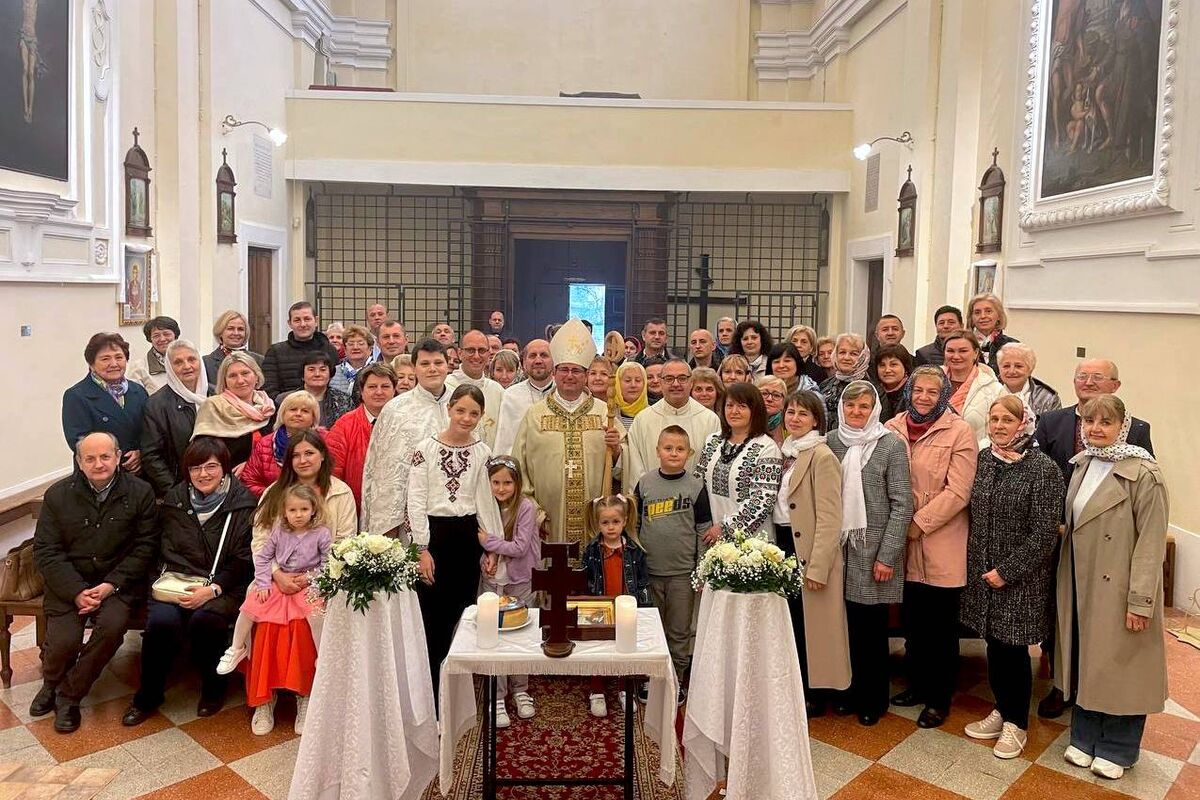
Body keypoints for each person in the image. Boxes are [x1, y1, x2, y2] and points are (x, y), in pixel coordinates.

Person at [1055, 395, 1168, 780]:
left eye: (1105, 422)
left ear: (1123, 425)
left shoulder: (1144, 473)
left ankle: (1118, 747)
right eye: (1089, 422)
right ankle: (1085, 737)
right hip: (1082, 583)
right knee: (1090, 661)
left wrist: (1140, 601)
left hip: (1119, 587)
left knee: (1122, 666)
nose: (1096, 429)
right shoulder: (1084, 464)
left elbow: (1151, 542)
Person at [1033, 358, 1153, 719]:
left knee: (1100, 618)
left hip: (1106, 545)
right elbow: (1040, 474)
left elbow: (1140, 489)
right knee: (1061, 609)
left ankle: (1094, 687)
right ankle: (1061, 685)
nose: (1088, 382)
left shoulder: (1138, 430)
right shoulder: (1052, 421)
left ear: (1115, 385)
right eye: (1081, 376)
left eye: (1097, 377)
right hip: (1061, 535)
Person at [122, 438, 256, 726]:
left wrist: (212, 589)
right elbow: (160, 549)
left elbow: (244, 561)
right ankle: (148, 695)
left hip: (223, 584)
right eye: (196, 468)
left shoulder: (243, 504)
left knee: (205, 622)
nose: (203, 474)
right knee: (161, 623)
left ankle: (213, 689)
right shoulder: (175, 500)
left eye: (211, 466)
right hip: (177, 580)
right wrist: (169, 584)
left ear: (225, 469)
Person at [958, 396, 1063, 759]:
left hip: (1019, 579)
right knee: (994, 647)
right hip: (983, 576)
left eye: (1008, 420)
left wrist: (1006, 572)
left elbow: (1045, 534)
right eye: (994, 419)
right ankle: (1002, 710)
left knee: (1014, 650)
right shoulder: (984, 460)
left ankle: (1017, 724)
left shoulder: (1043, 469)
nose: (1000, 425)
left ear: (1024, 423)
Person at [31, 432, 157, 733]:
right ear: (79, 461)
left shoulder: (140, 493)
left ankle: (69, 696)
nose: (98, 464)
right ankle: (51, 683)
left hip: (118, 585)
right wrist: (76, 592)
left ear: (117, 456)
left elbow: (146, 547)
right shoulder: (58, 495)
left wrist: (111, 584)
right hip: (69, 585)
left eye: (105, 456)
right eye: (90, 458)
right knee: (62, 642)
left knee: (111, 628)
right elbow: (47, 551)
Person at [243, 431, 357, 734]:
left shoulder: (341, 493)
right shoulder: (274, 493)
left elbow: (344, 544)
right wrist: (277, 575)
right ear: (288, 460)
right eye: (296, 455)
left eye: (309, 453)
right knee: (265, 617)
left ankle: (306, 696)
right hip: (275, 575)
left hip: (322, 577)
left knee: (310, 616)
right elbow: (261, 541)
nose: (303, 460)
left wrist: (310, 578)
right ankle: (263, 699)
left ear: (322, 456)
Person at [884, 367, 978, 729]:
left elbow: (959, 491)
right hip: (900, 542)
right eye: (917, 390)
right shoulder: (893, 427)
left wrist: (917, 524)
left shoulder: (959, 431)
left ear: (944, 395)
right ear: (908, 391)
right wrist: (897, 528)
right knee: (913, 623)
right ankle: (917, 685)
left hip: (941, 540)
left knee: (940, 628)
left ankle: (939, 698)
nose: (923, 397)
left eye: (932, 392)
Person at [825, 382, 912, 726]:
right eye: (851, 406)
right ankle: (845, 692)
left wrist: (887, 555)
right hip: (837, 550)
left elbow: (903, 504)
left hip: (872, 551)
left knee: (870, 632)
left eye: (864, 406)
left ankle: (873, 698)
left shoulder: (890, 444)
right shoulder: (831, 442)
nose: (856, 413)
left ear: (875, 409)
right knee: (841, 628)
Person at [408, 385, 504, 695]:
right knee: (433, 619)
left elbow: (485, 500)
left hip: (467, 537)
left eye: (473, 413)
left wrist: (491, 545)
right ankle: (432, 694)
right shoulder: (425, 449)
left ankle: (459, 691)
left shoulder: (482, 452)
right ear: (449, 408)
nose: (466, 418)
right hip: (434, 537)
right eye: (460, 410)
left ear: (481, 416)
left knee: (465, 614)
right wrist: (420, 548)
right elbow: (415, 499)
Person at [229, 483, 331, 735]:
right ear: (284, 511)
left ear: (313, 510)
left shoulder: (321, 533)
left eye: (303, 509)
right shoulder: (278, 531)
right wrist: (268, 580)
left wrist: (311, 579)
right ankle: (239, 656)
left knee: (311, 618)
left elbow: (329, 562)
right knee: (254, 610)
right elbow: (263, 556)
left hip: (308, 584)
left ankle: (308, 689)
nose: (298, 514)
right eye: (293, 510)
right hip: (276, 582)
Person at [513, 321, 623, 547]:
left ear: (585, 375)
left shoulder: (605, 413)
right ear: (554, 373)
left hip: (595, 520)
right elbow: (519, 467)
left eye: (576, 370)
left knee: (590, 577)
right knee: (552, 579)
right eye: (564, 369)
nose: (570, 375)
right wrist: (534, 512)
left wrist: (618, 450)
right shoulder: (535, 415)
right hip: (547, 521)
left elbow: (626, 468)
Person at [773, 390, 848, 717]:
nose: (795, 419)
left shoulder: (822, 456)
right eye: (790, 412)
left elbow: (831, 517)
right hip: (784, 543)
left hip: (811, 550)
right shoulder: (785, 452)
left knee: (817, 628)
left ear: (816, 419)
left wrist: (818, 567)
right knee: (794, 624)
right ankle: (798, 687)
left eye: (803, 414)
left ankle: (818, 694)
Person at [634, 426, 712, 704]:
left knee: (679, 630)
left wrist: (701, 567)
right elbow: (636, 525)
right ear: (658, 451)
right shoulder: (645, 484)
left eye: (680, 449)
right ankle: (650, 678)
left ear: (689, 453)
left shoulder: (695, 486)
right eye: (668, 448)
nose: (674, 453)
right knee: (652, 628)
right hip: (650, 571)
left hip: (682, 573)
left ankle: (676, 679)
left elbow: (703, 528)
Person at [362, 340, 454, 536]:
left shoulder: (461, 404)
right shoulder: (396, 410)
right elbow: (384, 475)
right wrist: (386, 531)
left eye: (438, 363)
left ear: (448, 365)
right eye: (425, 364)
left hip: (456, 513)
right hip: (409, 517)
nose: (432, 369)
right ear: (414, 368)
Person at [477, 457, 541, 727]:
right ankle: (498, 695)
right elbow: (480, 547)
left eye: (507, 482)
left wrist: (488, 542)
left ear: (517, 483)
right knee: (495, 635)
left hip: (521, 579)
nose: (501, 488)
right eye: (495, 482)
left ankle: (520, 689)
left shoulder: (525, 507)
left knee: (520, 634)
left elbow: (519, 547)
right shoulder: (484, 506)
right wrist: (485, 554)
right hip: (493, 579)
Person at [581, 495, 649, 717]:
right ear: (597, 523)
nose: (610, 527)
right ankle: (597, 689)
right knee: (598, 647)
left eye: (615, 522)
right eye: (605, 523)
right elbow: (584, 581)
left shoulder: (634, 551)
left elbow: (642, 582)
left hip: (625, 609)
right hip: (599, 608)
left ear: (625, 520)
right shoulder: (591, 551)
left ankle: (623, 688)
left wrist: (645, 609)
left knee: (625, 647)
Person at [693, 382, 783, 541]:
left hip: (753, 544)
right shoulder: (713, 441)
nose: (734, 411)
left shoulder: (767, 447)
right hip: (711, 537)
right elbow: (697, 483)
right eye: (729, 405)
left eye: (742, 406)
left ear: (754, 411)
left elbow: (763, 500)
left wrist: (726, 528)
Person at [625, 360, 719, 492]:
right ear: (661, 383)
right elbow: (635, 466)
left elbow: (711, 468)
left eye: (682, 378)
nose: (676, 384)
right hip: (652, 501)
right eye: (669, 379)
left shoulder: (710, 420)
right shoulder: (643, 419)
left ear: (691, 382)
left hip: (693, 502)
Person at [62, 333, 149, 473]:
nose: (114, 364)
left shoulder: (137, 390)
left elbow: (149, 430)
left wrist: (141, 452)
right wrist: (113, 457)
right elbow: (78, 440)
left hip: (138, 471)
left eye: (119, 357)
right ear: (91, 364)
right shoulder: (76, 396)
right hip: (99, 472)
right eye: (105, 359)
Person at [141, 339, 212, 497]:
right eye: (178, 362)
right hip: (179, 490)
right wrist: (175, 492)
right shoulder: (156, 404)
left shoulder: (215, 395)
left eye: (192, 359)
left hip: (218, 487)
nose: (187, 366)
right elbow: (151, 456)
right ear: (169, 368)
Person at [327, 363, 397, 514]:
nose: (379, 392)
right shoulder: (344, 426)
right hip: (353, 510)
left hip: (395, 510)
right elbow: (333, 474)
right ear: (361, 391)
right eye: (372, 387)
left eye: (385, 386)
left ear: (394, 390)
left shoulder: (406, 423)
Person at [192, 352, 275, 473]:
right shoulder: (213, 407)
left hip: (269, 478)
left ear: (257, 376)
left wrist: (251, 465)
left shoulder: (270, 407)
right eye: (232, 376)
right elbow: (204, 453)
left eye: (245, 373)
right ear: (224, 381)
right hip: (228, 480)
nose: (240, 380)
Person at [241, 391, 324, 497]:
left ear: (314, 418)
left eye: (305, 411)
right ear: (282, 414)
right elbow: (249, 481)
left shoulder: (326, 440)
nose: (298, 414)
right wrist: (278, 496)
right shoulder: (265, 443)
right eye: (293, 409)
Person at [261, 302, 340, 398]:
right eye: (297, 320)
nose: (303, 324)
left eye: (307, 319)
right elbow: (269, 389)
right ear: (290, 323)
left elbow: (337, 384)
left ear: (316, 321)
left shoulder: (329, 350)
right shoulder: (275, 352)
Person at [942, 330, 1005, 448]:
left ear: (976, 353)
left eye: (963, 351)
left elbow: (999, 431)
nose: (956, 356)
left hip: (976, 458)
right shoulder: (931, 382)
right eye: (950, 351)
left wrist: (973, 451)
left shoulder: (994, 389)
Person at [493, 339, 554, 455]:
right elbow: (504, 441)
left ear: (554, 361)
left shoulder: (562, 393)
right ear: (524, 363)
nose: (538, 360)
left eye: (544, 355)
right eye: (532, 356)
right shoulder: (511, 395)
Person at [449, 330, 505, 448]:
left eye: (482, 350)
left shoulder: (497, 391)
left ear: (488, 353)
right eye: (470, 350)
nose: (476, 356)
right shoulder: (446, 386)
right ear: (460, 353)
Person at [280, 352, 351, 426]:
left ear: (330, 374)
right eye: (311, 370)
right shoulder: (285, 399)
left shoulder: (343, 400)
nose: (317, 374)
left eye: (322, 370)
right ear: (302, 375)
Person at [819, 333, 870, 434]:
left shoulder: (871, 388)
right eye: (842, 352)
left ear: (863, 357)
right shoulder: (825, 385)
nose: (846, 358)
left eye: (853, 354)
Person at [996, 342, 1061, 418]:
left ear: (1030, 369)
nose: (1012, 371)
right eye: (1006, 366)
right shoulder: (989, 392)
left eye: (1018, 366)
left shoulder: (1048, 398)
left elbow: (1055, 429)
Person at [204, 310, 265, 384]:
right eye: (230, 328)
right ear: (220, 332)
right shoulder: (206, 363)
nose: (236, 333)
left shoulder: (260, 361)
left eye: (240, 329)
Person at [128, 316, 180, 395]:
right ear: (150, 339)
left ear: (175, 336)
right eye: (156, 336)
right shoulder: (139, 367)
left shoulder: (189, 360)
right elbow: (135, 398)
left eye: (166, 334)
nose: (162, 339)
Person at [967, 293, 1017, 373]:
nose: (983, 316)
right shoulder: (963, 344)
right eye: (977, 312)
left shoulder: (1013, 346)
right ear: (971, 318)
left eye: (988, 311)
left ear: (999, 316)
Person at [873, 344, 915, 422]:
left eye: (893, 365)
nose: (887, 370)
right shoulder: (873, 392)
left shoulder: (914, 393)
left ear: (905, 367)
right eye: (882, 365)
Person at [330, 324, 375, 397]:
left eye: (360, 344)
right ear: (345, 349)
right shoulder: (333, 372)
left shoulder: (377, 371)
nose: (355, 347)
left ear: (370, 348)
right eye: (351, 344)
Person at [614, 361, 649, 432]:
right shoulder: (608, 412)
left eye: (638, 380)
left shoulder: (652, 413)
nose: (633, 385)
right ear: (617, 384)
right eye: (627, 381)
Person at [757, 376, 789, 447]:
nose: (769, 399)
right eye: (764, 393)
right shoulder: (745, 422)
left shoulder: (789, 426)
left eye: (776, 395)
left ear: (783, 403)